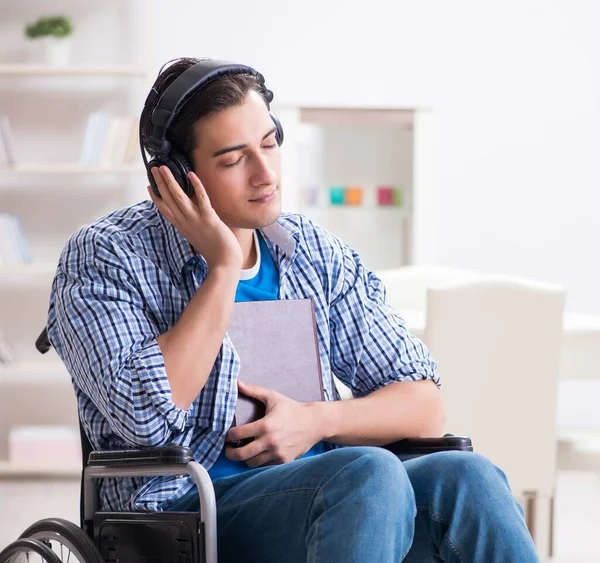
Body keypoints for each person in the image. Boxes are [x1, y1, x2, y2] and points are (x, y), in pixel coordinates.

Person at [47, 57, 540, 562]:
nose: (266, 174)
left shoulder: (310, 251)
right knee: (368, 472)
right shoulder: (107, 256)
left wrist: (315, 421)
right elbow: (146, 414)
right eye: (234, 159)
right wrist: (221, 268)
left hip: (340, 503)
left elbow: (424, 404)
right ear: (176, 177)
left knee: (467, 475)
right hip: (187, 513)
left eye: (269, 144)